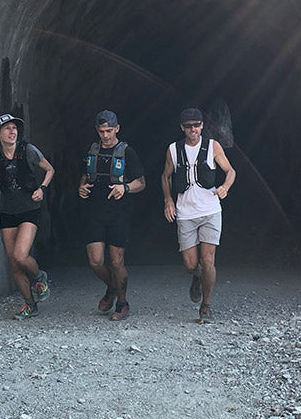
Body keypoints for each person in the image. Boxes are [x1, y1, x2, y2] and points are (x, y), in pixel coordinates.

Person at [161, 107, 235, 323]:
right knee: (191, 264)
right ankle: (197, 277)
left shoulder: (213, 146)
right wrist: (168, 200)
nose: (193, 129)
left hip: (210, 210)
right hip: (185, 212)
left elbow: (230, 171)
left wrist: (225, 187)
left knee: (208, 259)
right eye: (188, 126)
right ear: (182, 128)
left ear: (202, 126)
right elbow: (165, 176)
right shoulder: (174, 150)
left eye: (196, 125)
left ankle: (206, 305)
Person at [0, 113, 54, 319]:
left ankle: (39, 276)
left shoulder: (28, 150)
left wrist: (42, 189)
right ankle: (30, 304)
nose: (12, 132)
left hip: (29, 208)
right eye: (7, 128)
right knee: (13, 262)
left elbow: (49, 169)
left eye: (14, 128)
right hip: (7, 211)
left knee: (21, 255)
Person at [78, 110, 145, 321]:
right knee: (96, 261)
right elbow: (84, 175)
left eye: (109, 130)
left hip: (119, 212)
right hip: (95, 211)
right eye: (101, 131)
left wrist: (124, 188)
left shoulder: (127, 152)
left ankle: (122, 304)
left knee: (117, 262)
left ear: (117, 128)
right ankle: (112, 287)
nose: (105, 135)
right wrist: (81, 187)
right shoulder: (92, 151)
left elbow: (141, 183)